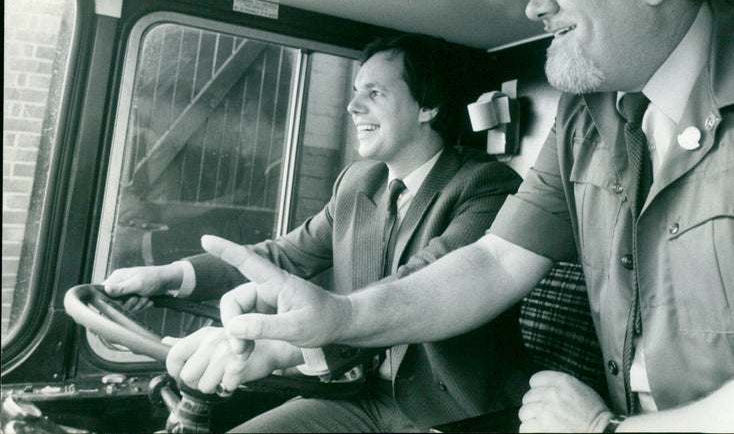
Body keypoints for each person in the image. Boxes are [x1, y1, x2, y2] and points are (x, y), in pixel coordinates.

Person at [200, 0, 734, 432]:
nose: (534, 6)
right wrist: (342, 318)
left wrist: (604, 429)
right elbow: (495, 261)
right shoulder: (585, 115)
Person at [104, 33, 527, 432]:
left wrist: (280, 345)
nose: (352, 107)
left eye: (375, 94)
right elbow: (284, 256)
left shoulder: (486, 185)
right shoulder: (358, 183)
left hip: (458, 415)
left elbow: (420, 283)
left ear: (428, 107)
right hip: (358, 394)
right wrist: (170, 276)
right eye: (356, 91)